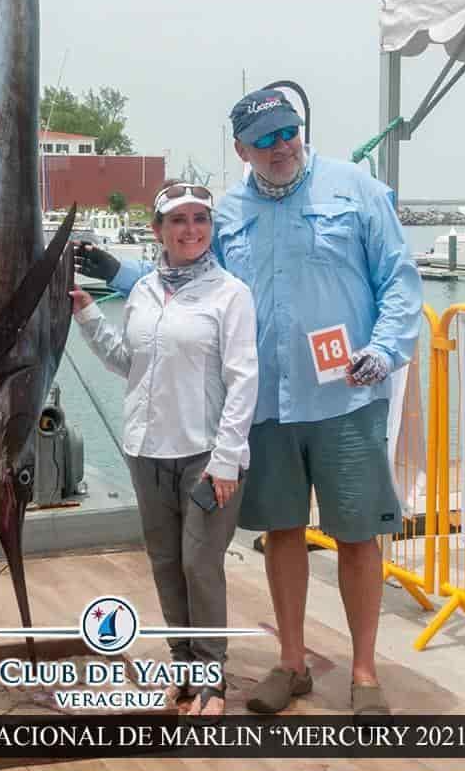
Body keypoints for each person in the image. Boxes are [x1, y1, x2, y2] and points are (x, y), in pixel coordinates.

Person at [78, 89, 423, 716]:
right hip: (266, 406)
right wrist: (118, 275)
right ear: (242, 149)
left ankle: (365, 673)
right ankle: (291, 664)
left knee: (355, 536)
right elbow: (185, 272)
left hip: (346, 399)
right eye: (264, 139)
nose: (281, 145)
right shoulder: (227, 210)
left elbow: (398, 281)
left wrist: (384, 349)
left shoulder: (356, 189)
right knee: (283, 533)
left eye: (288, 131)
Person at [70, 181, 258, 717]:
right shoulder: (145, 291)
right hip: (147, 450)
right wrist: (86, 313)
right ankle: (181, 666)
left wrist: (227, 458)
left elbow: (244, 381)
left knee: (201, 564)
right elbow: (127, 363)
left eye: (200, 219)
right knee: (165, 562)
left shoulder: (230, 294)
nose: (191, 230)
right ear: (158, 231)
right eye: (178, 220)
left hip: (206, 455)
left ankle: (212, 679)